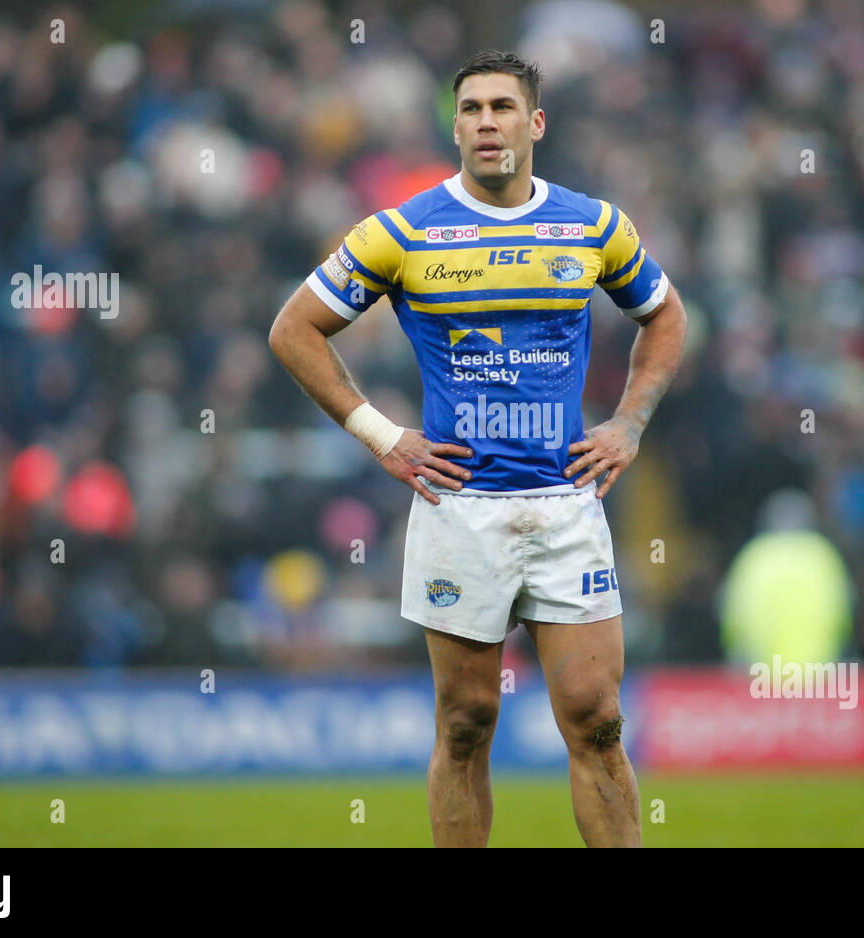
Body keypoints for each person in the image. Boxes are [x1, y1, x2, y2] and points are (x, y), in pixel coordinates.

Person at [268, 49, 686, 847]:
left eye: (502, 106)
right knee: (466, 722)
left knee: (597, 721)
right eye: (470, 109)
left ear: (535, 123)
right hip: (458, 509)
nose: (486, 122)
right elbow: (295, 330)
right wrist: (382, 436)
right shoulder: (400, 231)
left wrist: (629, 423)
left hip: (567, 506)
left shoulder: (592, 225)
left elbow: (665, 316)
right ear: (454, 125)